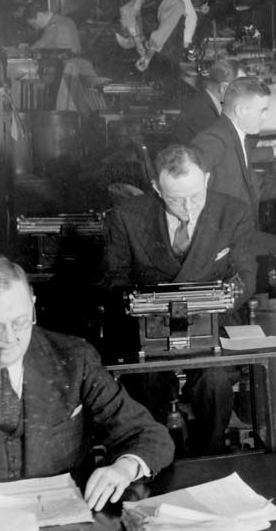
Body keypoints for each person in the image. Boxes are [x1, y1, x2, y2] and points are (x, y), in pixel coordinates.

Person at [0, 256, 174, 505]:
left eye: (21, 321)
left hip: (63, 525)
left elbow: (149, 434)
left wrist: (124, 467)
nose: (10, 338)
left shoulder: (74, 358)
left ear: (33, 305)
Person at [101, 144, 256, 455]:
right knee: (146, 385)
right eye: (175, 199)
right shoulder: (127, 217)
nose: (188, 208)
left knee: (214, 382)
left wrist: (222, 300)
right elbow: (114, 280)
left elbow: (246, 276)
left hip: (213, 325)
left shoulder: (234, 212)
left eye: (195, 196)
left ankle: (208, 456)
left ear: (207, 179)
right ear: (157, 188)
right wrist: (141, 307)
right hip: (149, 328)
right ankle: (155, 455)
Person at [191, 77, 276, 248]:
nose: (265, 117)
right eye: (262, 110)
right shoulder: (214, 140)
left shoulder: (234, 135)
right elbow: (186, 184)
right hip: (224, 240)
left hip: (238, 232)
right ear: (241, 110)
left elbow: (251, 185)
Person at [119, 0, 197, 84]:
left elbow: (128, 11)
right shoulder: (177, 1)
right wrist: (148, 57)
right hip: (165, 57)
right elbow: (160, 35)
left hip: (150, 52)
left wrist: (138, 41)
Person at [171, 58, 240, 143]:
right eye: (240, 88)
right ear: (223, 88)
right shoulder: (202, 114)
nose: (244, 95)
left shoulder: (208, 102)